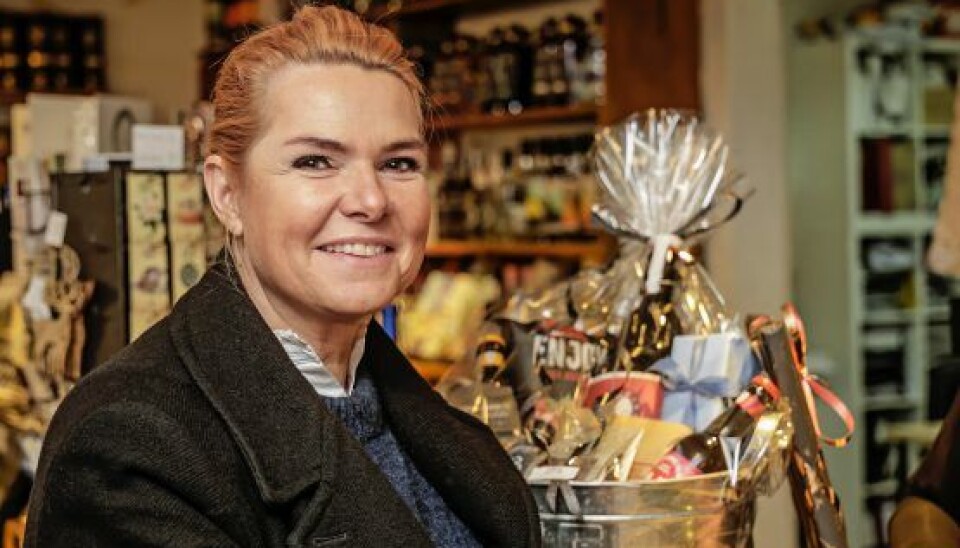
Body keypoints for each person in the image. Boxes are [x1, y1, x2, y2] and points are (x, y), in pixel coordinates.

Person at [24, 6, 541, 547]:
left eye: (399, 163)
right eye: (315, 161)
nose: (370, 200)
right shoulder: (129, 448)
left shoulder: (415, 414)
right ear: (227, 193)